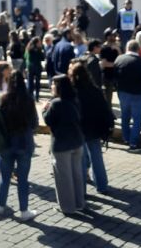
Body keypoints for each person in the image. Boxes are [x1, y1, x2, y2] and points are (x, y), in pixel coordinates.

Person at [0, 71, 38, 221]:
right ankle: (24, 210)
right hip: (24, 143)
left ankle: (0, 205)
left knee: (5, 176)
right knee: (23, 179)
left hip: (5, 143)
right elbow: (34, 123)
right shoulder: (29, 99)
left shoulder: (1, 98)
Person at [68, 60, 113, 195]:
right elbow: (105, 109)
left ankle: (81, 189)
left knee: (80, 159)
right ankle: (102, 185)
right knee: (97, 156)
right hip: (94, 128)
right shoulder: (95, 90)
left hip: (78, 129)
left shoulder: (72, 92)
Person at [43, 74, 86, 214]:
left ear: (59, 87)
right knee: (77, 174)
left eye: (53, 84)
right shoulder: (75, 99)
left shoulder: (56, 103)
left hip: (62, 145)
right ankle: (79, 203)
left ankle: (67, 207)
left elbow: (48, 120)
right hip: (77, 142)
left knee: (64, 177)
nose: (51, 86)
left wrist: (44, 109)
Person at [114, 40, 141, 151]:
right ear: (138, 49)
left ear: (127, 48)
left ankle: (126, 138)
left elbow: (114, 76)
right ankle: (134, 143)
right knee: (137, 119)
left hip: (122, 93)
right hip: (137, 94)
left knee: (125, 116)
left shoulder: (119, 59)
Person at [100, 28, 121, 107]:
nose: (114, 37)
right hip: (107, 76)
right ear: (108, 37)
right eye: (112, 36)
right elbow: (104, 64)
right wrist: (116, 64)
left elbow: (121, 58)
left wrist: (118, 49)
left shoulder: (117, 46)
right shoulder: (104, 48)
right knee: (108, 97)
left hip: (117, 75)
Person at [25, 37, 45, 101]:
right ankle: (36, 96)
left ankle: (30, 96)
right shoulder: (38, 49)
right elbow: (42, 58)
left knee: (30, 82)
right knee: (37, 82)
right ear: (36, 42)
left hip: (30, 67)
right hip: (37, 67)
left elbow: (25, 56)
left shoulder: (28, 48)